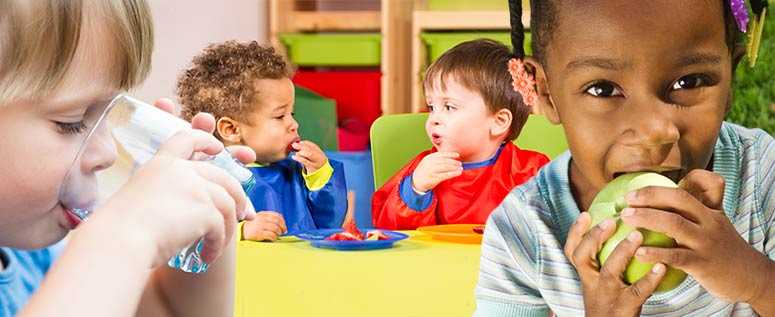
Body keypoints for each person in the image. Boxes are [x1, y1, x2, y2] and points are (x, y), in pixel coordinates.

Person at [475, 0, 775, 316]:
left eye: (689, 82)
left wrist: (757, 281)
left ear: (731, 80)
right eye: (602, 89)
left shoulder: (763, 177)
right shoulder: (524, 231)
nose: (655, 130)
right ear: (546, 93)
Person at [0, 1, 255, 316]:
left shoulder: (32, 256)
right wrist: (124, 234)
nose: (108, 152)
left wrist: (203, 218)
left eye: (109, 112)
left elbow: (168, 310)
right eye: (71, 121)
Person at [177, 41, 347, 241]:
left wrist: (320, 175)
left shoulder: (295, 171)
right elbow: (192, 236)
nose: (294, 124)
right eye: (280, 116)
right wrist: (242, 232)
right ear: (231, 129)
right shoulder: (211, 177)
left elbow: (329, 223)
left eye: (291, 113)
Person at [371, 39, 550, 230]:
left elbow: (554, 232)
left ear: (499, 122)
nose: (434, 119)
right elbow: (387, 228)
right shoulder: (424, 168)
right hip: (437, 259)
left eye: (449, 107)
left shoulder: (530, 171)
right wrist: (416, 190)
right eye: (432, 107)